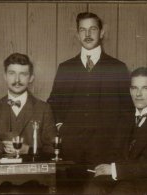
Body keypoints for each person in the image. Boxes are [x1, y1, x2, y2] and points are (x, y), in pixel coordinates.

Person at [47, 12, 132, 164]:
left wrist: (117, 143)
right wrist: (61, 127)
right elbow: (53, 103)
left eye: (92, 29)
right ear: (77, 35)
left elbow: (127, 109)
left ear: (102, 33)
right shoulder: (65, 68)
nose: (87, 34)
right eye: (82, 30)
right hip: (70, 150)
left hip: (106, 151)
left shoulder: (117, 67)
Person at [83, 67, 147, 194]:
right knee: (92, 188)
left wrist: (115, 170)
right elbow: (114, 151)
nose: (138, 94)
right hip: (121, 178)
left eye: (145, 88)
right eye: (134, 88)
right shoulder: (124, 117)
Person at [0, 53, 57, 156]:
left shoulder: (44, 109)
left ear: (31, 78)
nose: (17, 80)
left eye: (23, 74)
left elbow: (52, 149)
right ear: (5, 76)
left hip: (33, 171)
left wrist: (28, 150)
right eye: (12, 73)